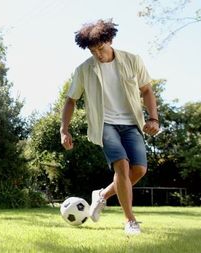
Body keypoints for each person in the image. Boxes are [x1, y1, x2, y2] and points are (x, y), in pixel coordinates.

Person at [59, 19, 160, 235]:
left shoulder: (133, 60)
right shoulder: (84, 70)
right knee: (122, 166)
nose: (98, 54)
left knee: (139, 170)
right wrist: (64, 130)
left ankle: (102, 195)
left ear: (110, 40)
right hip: (104, 124)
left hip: (132, 123)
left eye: (101, 48)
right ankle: (130, 221)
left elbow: (147, 91)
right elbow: (70, 100)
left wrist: (153, 118)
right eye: (92, 51)